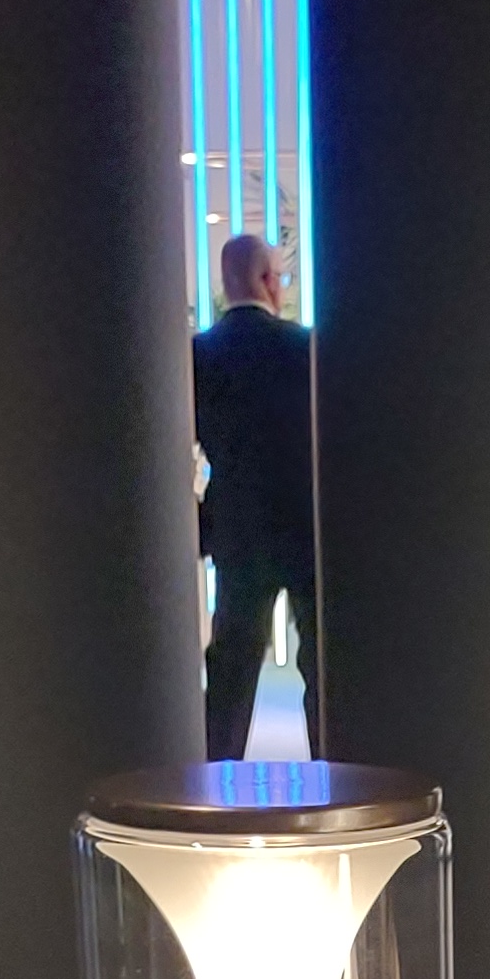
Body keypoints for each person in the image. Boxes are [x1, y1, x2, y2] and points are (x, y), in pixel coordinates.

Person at [191, 231, 319, 758]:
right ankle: (332, 772)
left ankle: (214, 775)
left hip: (238, 527)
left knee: (232, 666)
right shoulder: (305, 349)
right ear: (268, 280)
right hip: (306, 524)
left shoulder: (199, 356)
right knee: (320, 664)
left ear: (225, 282)